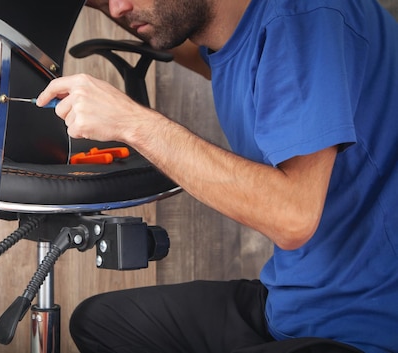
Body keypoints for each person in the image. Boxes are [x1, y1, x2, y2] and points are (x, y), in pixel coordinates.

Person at [35, 0, 398, 352]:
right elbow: (180, 31)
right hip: (294, 304)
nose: (117, 8)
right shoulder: (238, 33)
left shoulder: (301, 18)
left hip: (360, 328)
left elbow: (294, 217)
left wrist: (131, 122)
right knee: (101, 323)